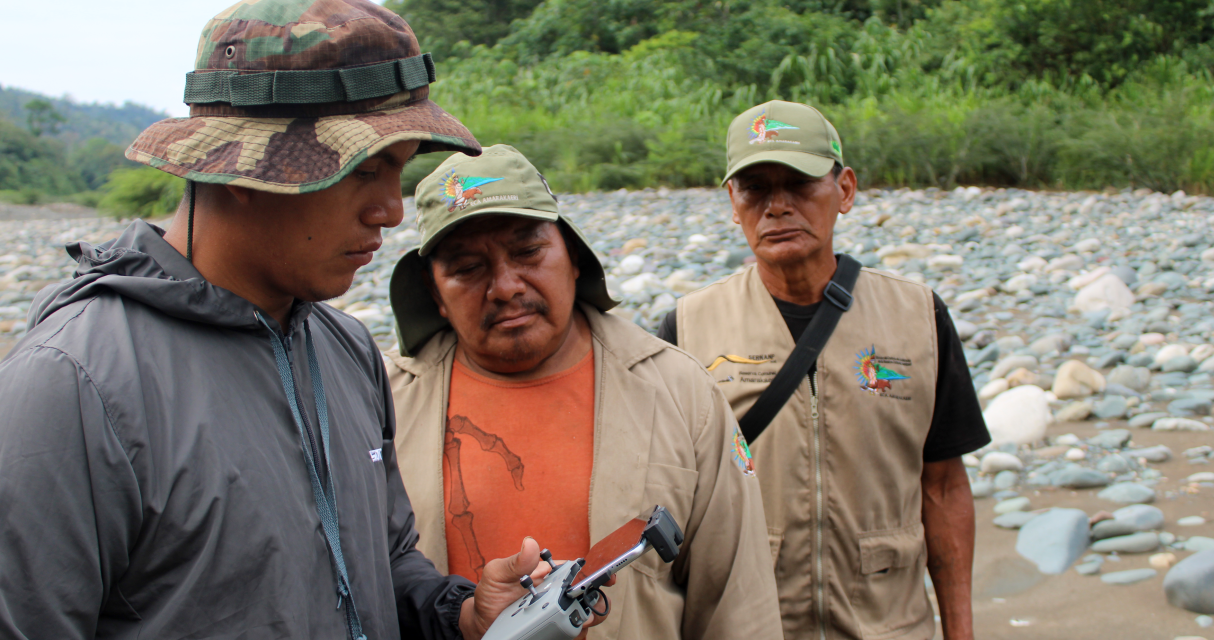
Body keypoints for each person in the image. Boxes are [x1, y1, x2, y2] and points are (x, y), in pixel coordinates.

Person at [0, 2, 600, 638]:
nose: (391, 212)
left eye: (399, 170)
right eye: (364, 171)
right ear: (243, 169)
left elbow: (385, 566)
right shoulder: (73, 385)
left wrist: (465, 614)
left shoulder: (343, 350)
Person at [385, 144, 785, 640]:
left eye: (528, 251)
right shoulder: (383, 403)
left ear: (572, 256)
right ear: (433, 294)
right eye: (467, 268)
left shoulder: (680, 392)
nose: (505, 286)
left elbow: (737, 601)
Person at [656, 100, 991, 640]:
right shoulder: (688, 328)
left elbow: (945, 487)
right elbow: (663, 502)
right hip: (748, 626)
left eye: (799, 183)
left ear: (845, 190)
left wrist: (961, 632)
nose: (777, 206)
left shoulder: (919, 317)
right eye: (755, 189)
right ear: (732, 203)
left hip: (889, 626)